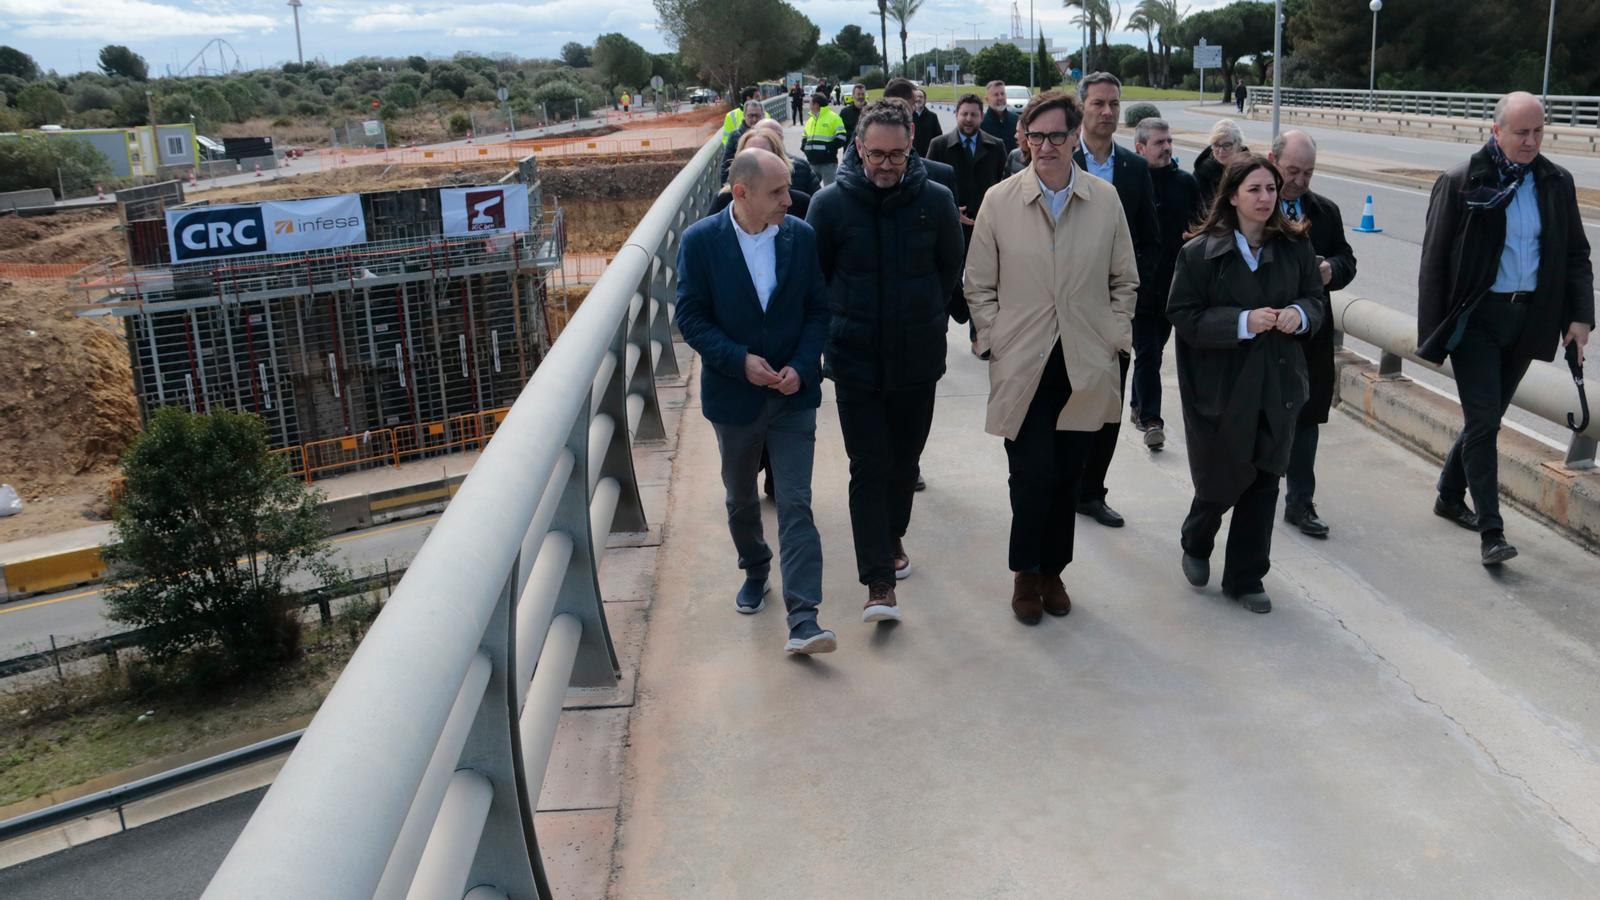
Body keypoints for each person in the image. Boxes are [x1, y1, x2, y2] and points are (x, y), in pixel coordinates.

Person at [964, 90, 1138, 625]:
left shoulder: (1104, 200)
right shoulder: (999, 201)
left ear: (1073, 136)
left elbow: (1124, 279)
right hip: (1023, 362)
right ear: (1024, 139)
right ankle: (1025, 572)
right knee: (1031, 474)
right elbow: (978, 283)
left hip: (1085, 362)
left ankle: (1054, 572)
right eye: (1035, 136)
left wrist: (1114, 335)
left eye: (1056, 136)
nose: (1045, 146)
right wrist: (994, 338)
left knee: (1068, 475)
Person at [1418, 91, 1593, 565]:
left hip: (1529, 319)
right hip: (1476, 320)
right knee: (1482, 423)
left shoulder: (1555, 182)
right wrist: (1433, 335)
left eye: (1539, 132)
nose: (1531, 141)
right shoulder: (1461, 181)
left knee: (1488, 417)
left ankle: (1448, 495)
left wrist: (1580, 317)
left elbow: (1575, 255)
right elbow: (1434, 263)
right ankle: (1491, 533)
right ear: (1495, 131)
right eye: (1521, 132)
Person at [806, 99, 964, 623]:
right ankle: (878, 582)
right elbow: (815, 280)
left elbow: (950, 270)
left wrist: (925, 315)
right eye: (876, 154)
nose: (886, 165)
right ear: (858, 148)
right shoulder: (828, 206)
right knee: (868, 465)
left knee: (904, 462)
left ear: (911, 145)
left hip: (918, 359)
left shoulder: (937, 200)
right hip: (854, 361)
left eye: (896, 155)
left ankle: (893, 533)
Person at [674, 148, 836, 654]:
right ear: (741, 193)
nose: (790, 199)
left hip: (793, 396)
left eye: (788, 188)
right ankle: (755, 567)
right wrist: (739, 360)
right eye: (778, 192)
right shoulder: (701, 241)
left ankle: (804, 618)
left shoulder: (800, 237)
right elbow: (690, 317)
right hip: (735, 397)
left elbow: (818, 311)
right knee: (740, 498)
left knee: (796, 502)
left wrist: (802, 366)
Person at [1167, 154, 1325, 614]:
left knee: (1264, 479)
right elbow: (1183, 315)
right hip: (1222, 387)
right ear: (1232, 196)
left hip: (1278, 383)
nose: (1265, 198)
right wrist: (1242, 322)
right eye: (1254, 189)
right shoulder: (1200, 253)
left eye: (1271, 189)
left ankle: (1246, 576)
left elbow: (1315, 299)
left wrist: (1299, 315)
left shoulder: (1295, 246)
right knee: (1221, 477)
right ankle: (1197, 538)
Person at [1071, 72, 1161, 527]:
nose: (1107, 112)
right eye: (1098, 103)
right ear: (1081, 108)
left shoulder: (1134, 168)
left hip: (1114, 312)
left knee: (1109, 404)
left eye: (1114, 104)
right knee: (1065, 402)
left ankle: (1091, 492)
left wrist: (1127, 290)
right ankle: (1063, 486)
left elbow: (1149, 239)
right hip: (1064, 308)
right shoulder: (1058, 156)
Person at [1268, 130, 1357, 538]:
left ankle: (1300, 502)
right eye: (1292, 171)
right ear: (1272, 160)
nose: (1300, 181)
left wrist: (1330, 271)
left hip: (1311, 334)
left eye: (1308, 173)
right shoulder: (1252, 204)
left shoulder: (1325, 211)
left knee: (1306, 418)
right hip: (1264, 332)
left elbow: (1346, 259)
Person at [1130, 117, 1203, 451]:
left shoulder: (1186, 183)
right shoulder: (1131, 182)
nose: (1167, 148)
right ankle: (1151, 420)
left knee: (1153, 351)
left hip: (1174, 286)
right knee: (1147, 352)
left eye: (1169, 141)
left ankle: (1137, 404)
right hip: (1138, 285)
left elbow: (1200, 225)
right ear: (1140, 147)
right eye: (1160, 143)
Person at [927, 92, 1007, 336]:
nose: (969, 119)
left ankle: (979, 334)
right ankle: (942, 326)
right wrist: (949, 209)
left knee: (982, 283)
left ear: (981, 116)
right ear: (956, 115)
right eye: (964, 114)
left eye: (974, 114)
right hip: (950, 226)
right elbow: (927, 185)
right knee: (948, 280)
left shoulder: (996, 146)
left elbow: (1005, 184)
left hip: (985, 225)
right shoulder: (939, 145)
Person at [710, 128, 813, 220]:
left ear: (780, 159)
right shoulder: (723, 200)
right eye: (750, 155)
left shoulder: (800, 204)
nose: (757, 159)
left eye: (765, 154)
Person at [754, 118, 821, 195]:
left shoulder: (801, 167)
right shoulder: (746, 169)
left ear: (782, 138)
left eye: (776, 136)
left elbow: (817, 198)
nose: (772, 141)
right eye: (765, 136)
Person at [1193, 118, 1245, 210]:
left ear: (1239, 145)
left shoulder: (1251, 170)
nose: (1221, 151)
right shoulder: (1202, 173)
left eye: (1227, 145)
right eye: (1216, 145)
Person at [801, 92, 848, 186]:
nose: (809, 106)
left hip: (828, 163)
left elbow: (842, 137)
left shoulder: (834, 118)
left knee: (830, 190)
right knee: (811, 189)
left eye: (810, 103)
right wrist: (804, 148)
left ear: (816, 104)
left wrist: (828, 149)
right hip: (812, 162)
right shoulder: (810, 120)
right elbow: (804, 137)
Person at [719, 99, 767, 184]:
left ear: (763, 116)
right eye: (751, 116)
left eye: (757, 116)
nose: (754, 119)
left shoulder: (769, 135)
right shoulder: (735, 136)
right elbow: (726, 165)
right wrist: (725, 187)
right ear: (744, 115)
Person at [981, 80, 1020, 155]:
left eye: (1002, 94)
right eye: (996, 95)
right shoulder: (981, 123)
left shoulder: (1016, 120)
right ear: (987, 100)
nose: (1000, 97)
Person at [911, 87, 944, 158]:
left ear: (925, 100)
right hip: (911, 156)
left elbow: (938, 136)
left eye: (921, 97)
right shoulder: (907, 116)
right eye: (916, 97)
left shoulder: (932, 116)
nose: (918, 99)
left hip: (929, 155)